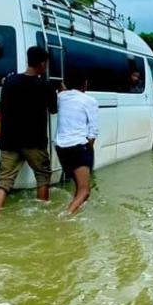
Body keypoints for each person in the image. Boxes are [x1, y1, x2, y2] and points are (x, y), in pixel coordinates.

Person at [0, 46, 57, 213]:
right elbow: (54, 109)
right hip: (34, 141)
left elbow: (1, 109)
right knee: (42, 176)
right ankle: (41, 211)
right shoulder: (46, 85)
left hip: (10, 139)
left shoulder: (10, 81)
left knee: (4, 180)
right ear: (43, 63)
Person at [55, 72, 99, 214]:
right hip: (79, 147)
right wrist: (88, 153)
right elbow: (93, 132)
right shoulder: (89, 100)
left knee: (78, 188)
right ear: (85, 84)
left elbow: (61, 91)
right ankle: (65, 217)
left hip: (61, 148)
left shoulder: (60, 98)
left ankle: (74, 213)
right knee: (85, 191)